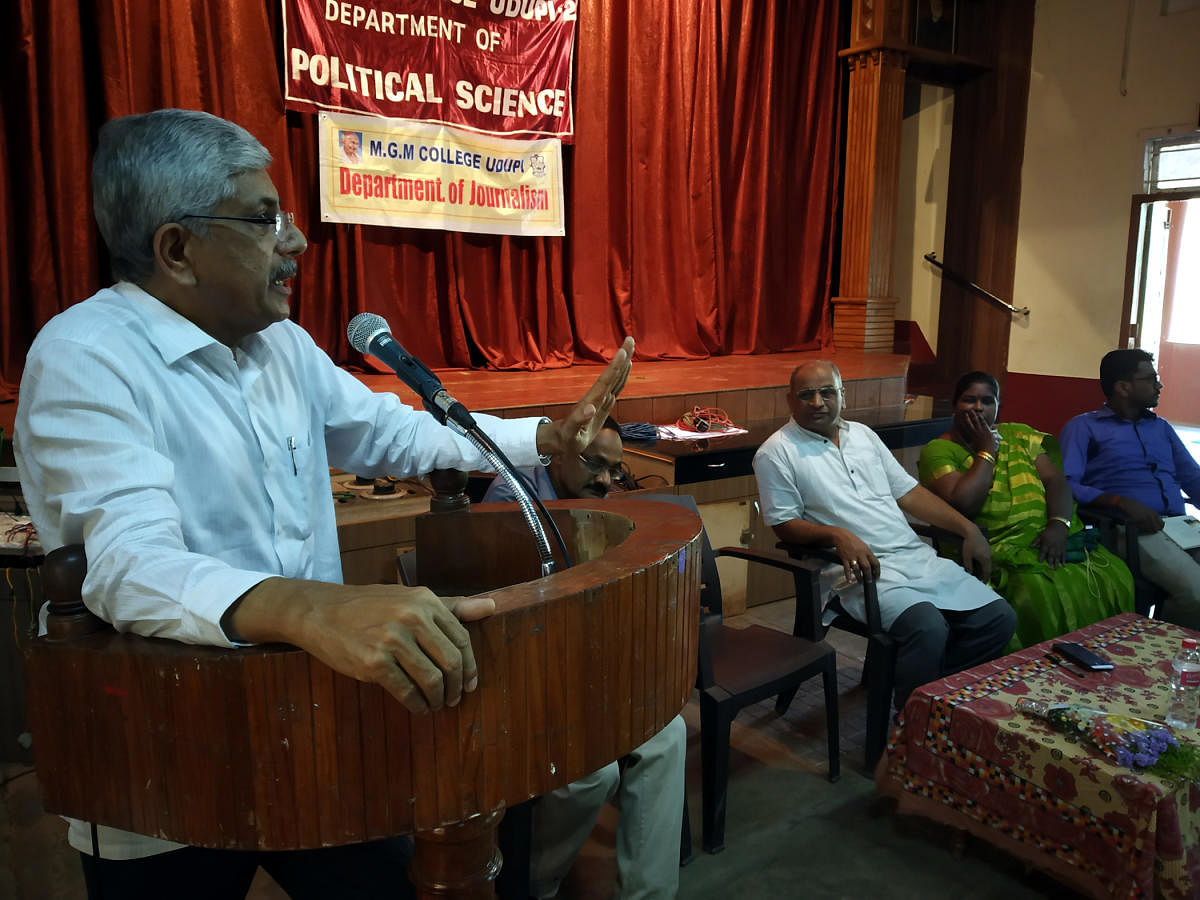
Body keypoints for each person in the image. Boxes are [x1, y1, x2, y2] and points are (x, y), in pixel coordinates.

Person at [13, 108, 635, 899]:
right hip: (164, 758)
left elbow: (395, 437)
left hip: (312, 731)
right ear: (177, 249)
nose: (297, 242)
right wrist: (312, 610)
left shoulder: (281, 346)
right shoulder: (84, 358)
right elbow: (126, 564)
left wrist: (546, 440)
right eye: (264, 218)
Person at [482, 419, 686, 900]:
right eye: (595, 465)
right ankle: (534, 881)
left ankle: (649, 894)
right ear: (554, 453)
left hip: (585, 660)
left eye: (615, 469)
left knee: (668, 733)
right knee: (591, 774)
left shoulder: (598, 497)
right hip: (525, 670)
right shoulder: (509, 501)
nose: (606, 480)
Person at [753, 361, 1016, 711]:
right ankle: (911, 730)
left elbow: (909, 494)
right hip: (853, 574)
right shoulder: (776, 452)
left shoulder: (863, 436)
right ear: (790, 400)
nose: (817, 401)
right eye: (806, 394)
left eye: (827, 392)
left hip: (912, 557)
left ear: (842, 395)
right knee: (928, 628)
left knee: (998, 618)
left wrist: (967, 529)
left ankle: (933, 701)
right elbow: (783, 524)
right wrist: (837, 535)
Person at [918, 371, 1134, 650]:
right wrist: (987, 449)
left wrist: (1058, 525)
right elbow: (965, 502)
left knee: (1112, 574)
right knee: (1039, 590)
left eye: (987, 400)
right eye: (968, 400)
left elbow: (1055, 480)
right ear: (954, 405)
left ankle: (1093, 667)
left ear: (998, 407)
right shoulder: (939, 450)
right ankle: (1033, 671)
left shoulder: (1017, 435)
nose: (978, 408)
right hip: (988, 548)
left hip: (1043, 538)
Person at [1060, 349, 1200, 628]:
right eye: (1150, 379)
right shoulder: (1084, 427)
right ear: (1123, 387)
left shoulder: (1161, 428)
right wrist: (1119, 502)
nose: (1159, 386)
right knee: (1196, 593)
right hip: (1131, 529)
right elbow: (1066, 484)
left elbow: (1192, 478)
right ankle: (1168, 654)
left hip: (1178, 526)